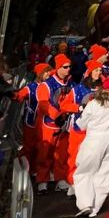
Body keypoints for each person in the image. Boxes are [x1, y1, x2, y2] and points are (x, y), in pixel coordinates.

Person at [72, 74, 109, 217]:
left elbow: (81, 125)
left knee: (85, 171)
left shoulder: (93, 104)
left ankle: (85, 204)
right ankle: (94, 210)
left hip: (96, 138)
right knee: (106, 174)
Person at [62, 59, 107, 193]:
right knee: (75, 157)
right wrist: (79, 107)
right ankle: (73, 182)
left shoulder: (103, 89)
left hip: (97, 129)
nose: (99, 73)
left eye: (100, 70)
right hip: (79, 129)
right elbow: (64, 105)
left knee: (94, 157)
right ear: (90, 72)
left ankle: (90, 183)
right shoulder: (77, 89)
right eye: (96, 70)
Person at [36, 53, 76, 191]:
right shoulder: (46, 85)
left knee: (62, 153)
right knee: (45, 153)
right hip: (49, 124)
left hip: (64, 124)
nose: (68, 69)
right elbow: (43, 104)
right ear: (58, 67)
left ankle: (60, 178)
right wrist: (57, 115)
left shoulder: (70, 83)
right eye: (65, 67)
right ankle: (42, 179)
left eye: (70, 67)